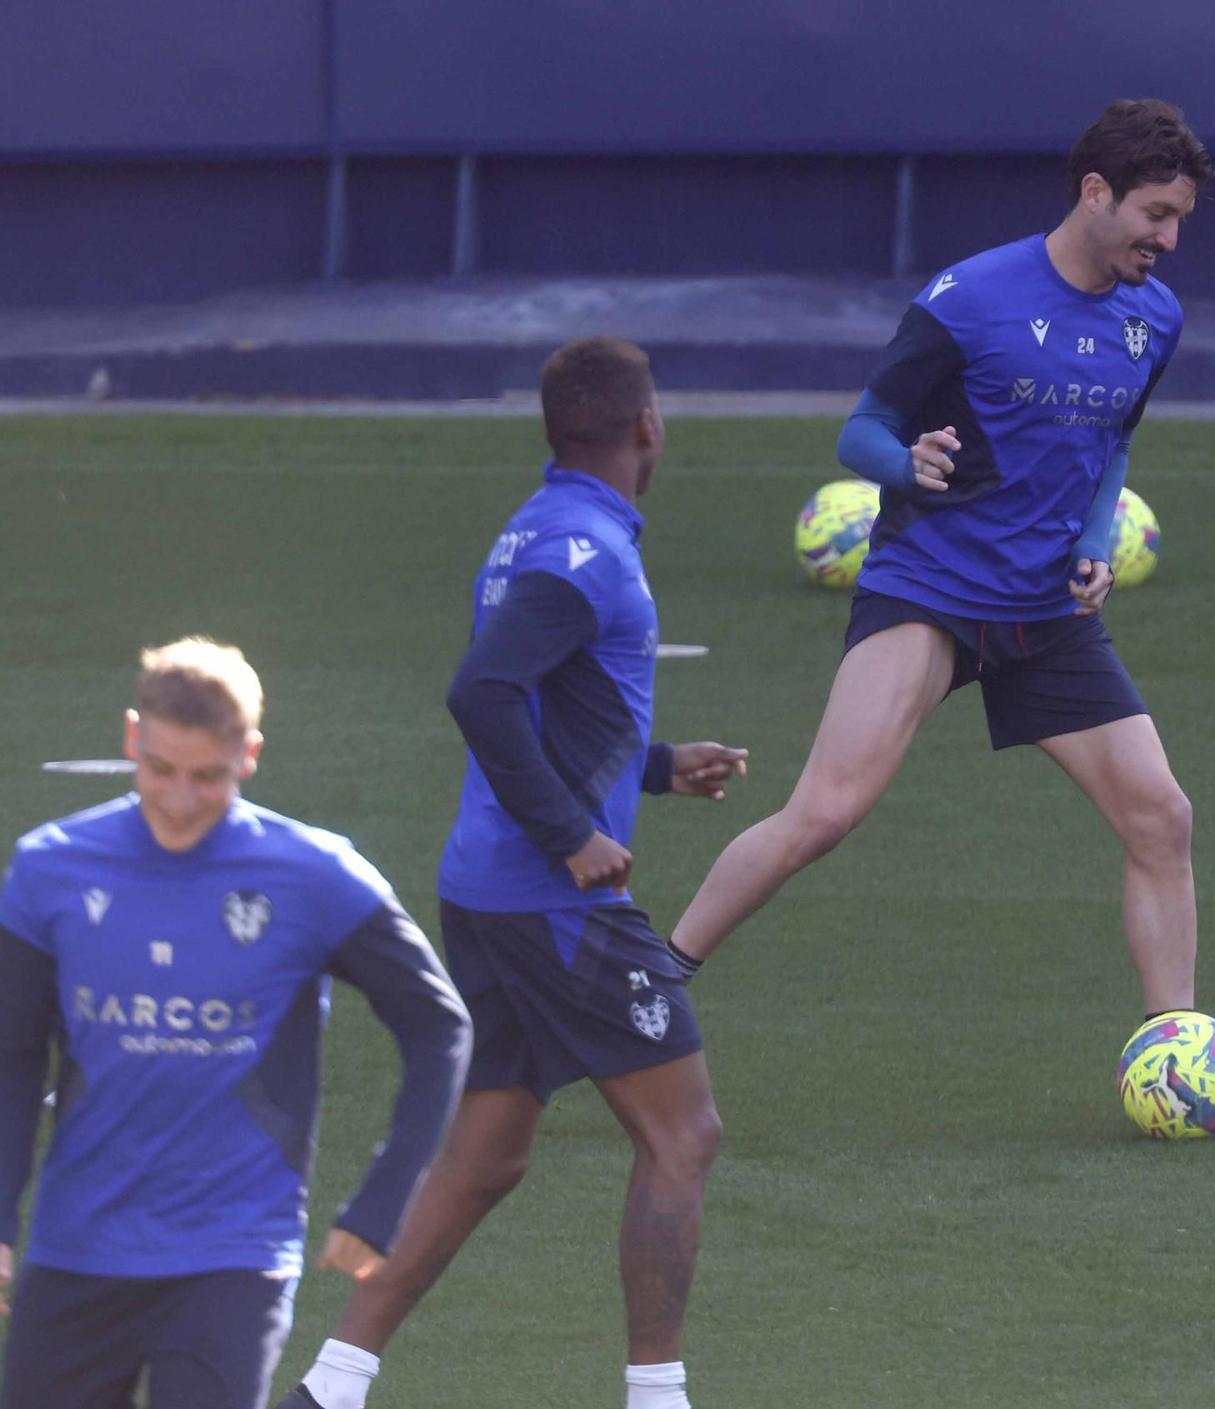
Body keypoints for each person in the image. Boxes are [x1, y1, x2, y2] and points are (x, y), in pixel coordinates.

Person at [665, 101, 1215, 1122]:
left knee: (1160, 817)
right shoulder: (968, 300)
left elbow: (1114, 441)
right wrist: (899, 460)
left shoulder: (1152, 316)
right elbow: (859, 431)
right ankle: (649, 980)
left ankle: (1178, 1063)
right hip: (930, 593)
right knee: (823, 812)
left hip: (1047, 612)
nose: (1167, 240)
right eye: (1154, 214)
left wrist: (1092, 539)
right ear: (1094, 193)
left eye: (1178, 219)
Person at [282, 337, 749, 1409]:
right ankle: (658, 1394)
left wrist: (660, 768)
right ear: (644, 427)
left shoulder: (539, 529)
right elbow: (483, 692)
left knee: (487, 1155)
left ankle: (331, 1383)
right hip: (554, 900)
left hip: (490, 889)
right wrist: (570, 837)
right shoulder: (585, 552)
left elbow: (554, 710)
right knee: (683, 1131)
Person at [0, 638, 470, 1409]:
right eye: (160, 769)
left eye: (208, 776)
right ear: (131, 739)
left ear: (248, 753)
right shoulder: (50, 867)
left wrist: (386, 1196)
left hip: (232, 1253)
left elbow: (436, 1023)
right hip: (77, 1246)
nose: (180, 800)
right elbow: (11, 1057)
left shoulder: (314, 875)